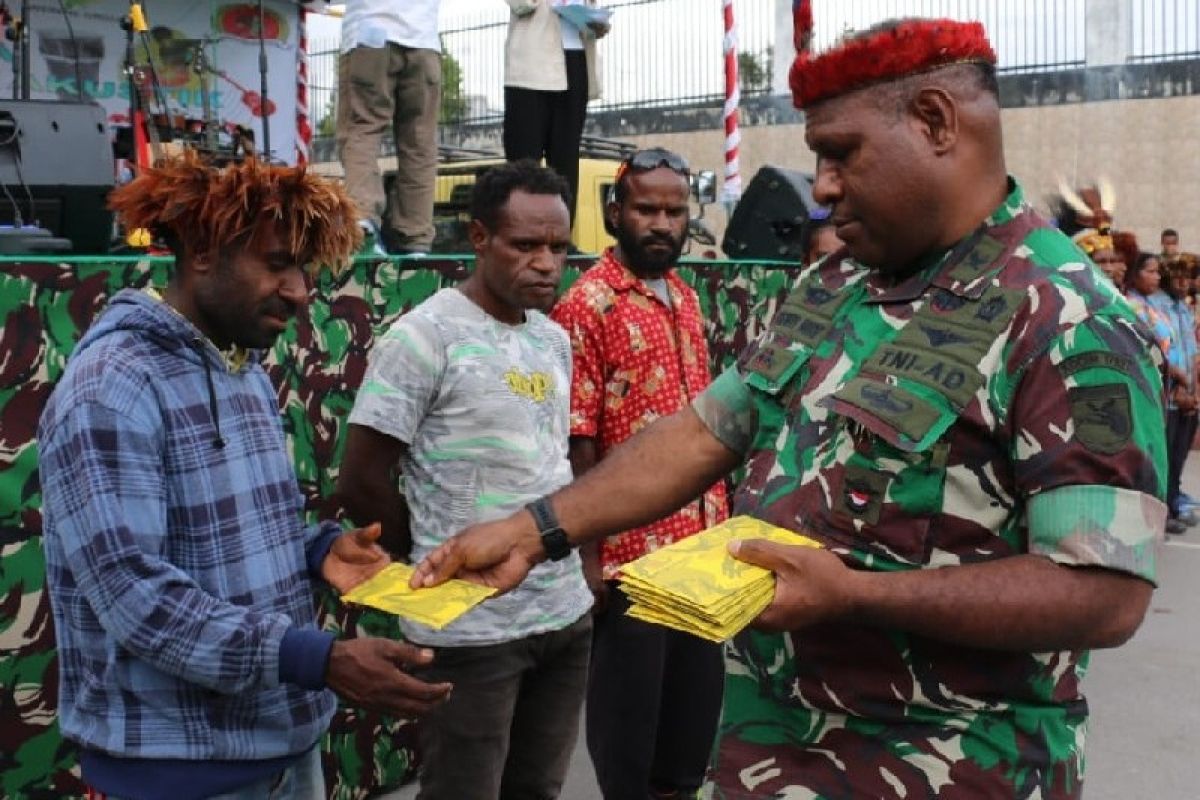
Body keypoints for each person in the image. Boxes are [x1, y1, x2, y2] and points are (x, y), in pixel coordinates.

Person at [408, 18, 1167, 799]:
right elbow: (703, 432)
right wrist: (536, 530)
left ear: (936, 122)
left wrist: (855, 593)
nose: (824, 185)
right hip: (766, 754)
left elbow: (1103, 592)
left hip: (946, 769)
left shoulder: (1067, 317)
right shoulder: (834, 285)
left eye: (842, 153)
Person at [38, 154, 452, 800]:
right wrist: (318, 660)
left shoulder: (244, 370)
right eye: (278, 263)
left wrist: (317, 551)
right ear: (201, 251)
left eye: (304, 269)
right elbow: (136, 597)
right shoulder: (111, 389)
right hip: (174, 775)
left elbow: (229, 537)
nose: (299, 290)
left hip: (282, 754)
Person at [336, 160, 593, 800]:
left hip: (562, 616)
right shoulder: (425, 337)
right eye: (525, 245)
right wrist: (431, 555)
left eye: (558, 247)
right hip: (472, 632)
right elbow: (363, 477)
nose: (545, 263)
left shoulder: (553, 338)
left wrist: (579, 574)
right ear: (479, 238)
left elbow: (548, 462)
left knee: (538, 789)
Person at [549, 147, 729, 800]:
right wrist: (589, 557)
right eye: (647, 209)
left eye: (675, 211)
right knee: (630, 761)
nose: (661, 223)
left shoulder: (684, 298)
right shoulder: (587, 305)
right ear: (616, 211)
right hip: (631, 567)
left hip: (701, 560)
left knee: (686, 755)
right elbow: (579, 438)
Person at [336, 0, 440, 255]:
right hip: (424, 41)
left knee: (362, 127)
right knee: (419, 143)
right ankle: (415, 236)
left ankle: (363, 220)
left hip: (370, 34)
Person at [503, 0, 609, 223]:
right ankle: (521, 233)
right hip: (532, 67)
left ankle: (562, 240)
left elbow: (595, 17)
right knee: (524, 163)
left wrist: (597, 21)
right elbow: (521, 5)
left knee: (566, 162)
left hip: (576, 60)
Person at [1125, 252, 1192, 534]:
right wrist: (1176, 380)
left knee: (1173, 458)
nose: (1156, 277)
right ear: (1135, 273)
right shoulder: (1133, 305)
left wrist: (1190, 386)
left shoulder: (1164, 308)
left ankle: (1167, 507)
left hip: (1179, 391)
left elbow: (1186, 349)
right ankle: (1152, 516)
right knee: (1154, 458)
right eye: (1149, 271)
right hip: (1159, 393)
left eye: (1156, 272)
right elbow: (1153, 351)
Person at [1144, 256, 1200, 533]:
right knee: (1164, 458)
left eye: (1188, 278)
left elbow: (1192, 352)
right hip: (1171, 396)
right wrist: (1177, 389)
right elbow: (1164, 352)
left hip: (1188, 394)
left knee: (1178, 457)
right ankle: (1161, 513)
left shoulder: (1184, 309)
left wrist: (1194, 389)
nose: (1184, 283)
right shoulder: (1156, 307)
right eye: (1178, 277)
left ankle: (1173, 503)